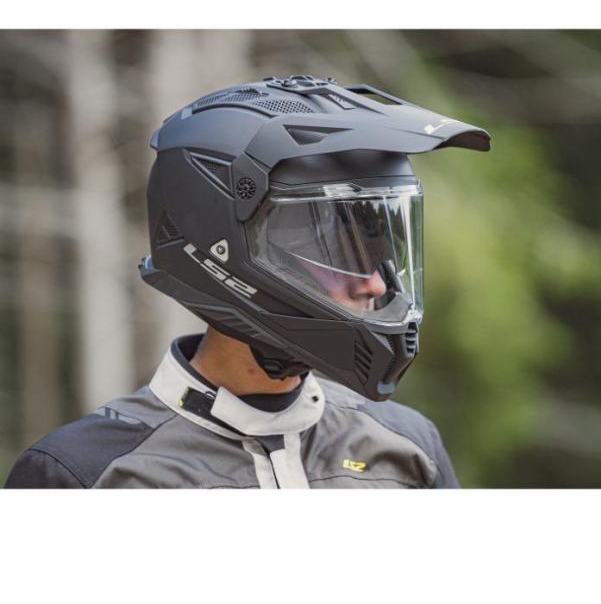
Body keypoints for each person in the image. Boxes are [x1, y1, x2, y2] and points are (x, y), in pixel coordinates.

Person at [5, 75, 490, 489]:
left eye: (382, 253)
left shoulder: (407, 449)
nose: (377, 286)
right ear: (223, 250)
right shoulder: (88, 474)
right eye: (338, 253)